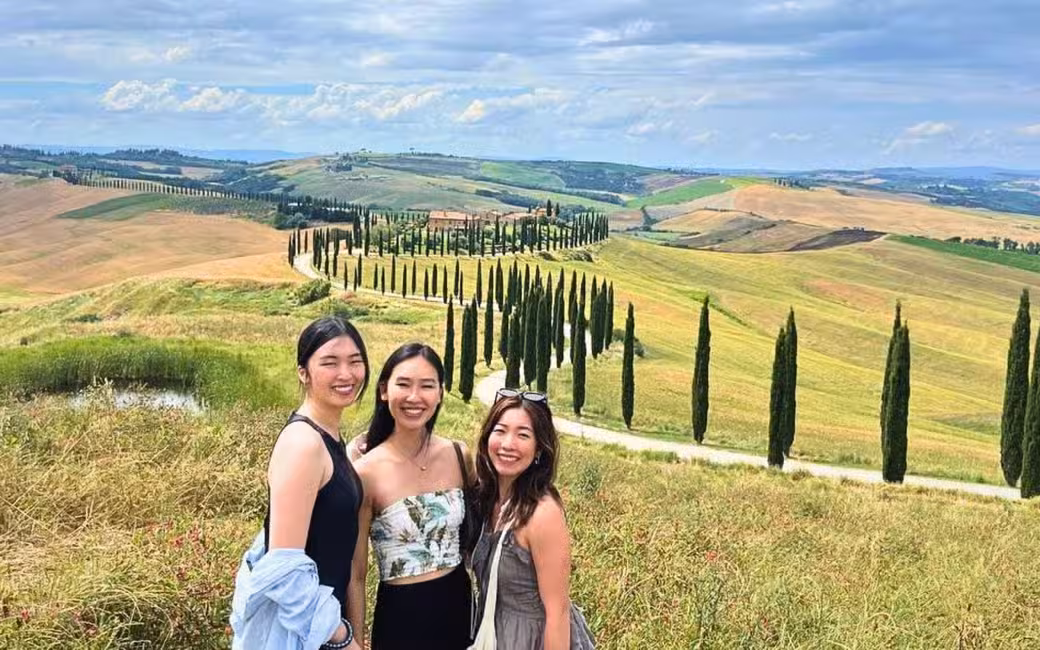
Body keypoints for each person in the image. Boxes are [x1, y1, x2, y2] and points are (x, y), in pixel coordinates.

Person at [231, 316, 368, 650]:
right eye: (330, 363)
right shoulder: (302, 444)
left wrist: (349, 459)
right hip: (299, 633)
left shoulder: (327, 439)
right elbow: (284, 569)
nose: (346, 374)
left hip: (311, 629)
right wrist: (344, 638)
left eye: (355, 362)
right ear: (303, 373)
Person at [349, 343, 474, 650]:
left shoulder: (459, 455)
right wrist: (355, 638)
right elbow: (356, 573)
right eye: (403, 384)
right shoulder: (365, 471)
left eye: (427, 386)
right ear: (384, 391)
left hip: (459, 607)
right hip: (401, 618)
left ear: (441, 393)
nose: (415, 397)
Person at [471, 389, 596, 650]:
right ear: (486, 437)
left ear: (539, 448)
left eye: (523, 435)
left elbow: (557, 612)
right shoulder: (488, 498)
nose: (508, 444)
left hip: (532, 640)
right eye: (500, 430)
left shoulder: (542, 513)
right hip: (492, 633)